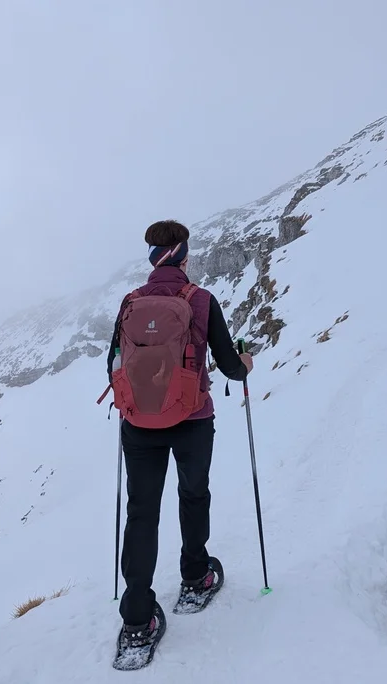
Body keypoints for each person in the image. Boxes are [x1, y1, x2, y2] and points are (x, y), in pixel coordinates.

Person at [106, 219, 254, 654]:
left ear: (151, 258)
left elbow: (113, 363)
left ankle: (137, 618)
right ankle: (195, 576)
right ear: (185, 256)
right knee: (193, 494)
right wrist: (245, 365)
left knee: (141, 512)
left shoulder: (130, 302)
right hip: (192, 419)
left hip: (139, 425)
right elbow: (229, 365)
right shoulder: (201, 300)